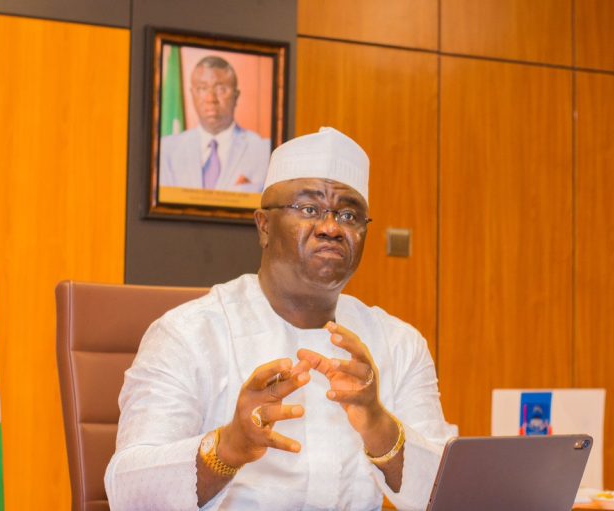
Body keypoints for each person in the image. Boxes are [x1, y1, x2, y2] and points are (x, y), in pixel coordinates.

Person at [106, 127, 456, 510]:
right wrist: (228, 447)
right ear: (264, 226)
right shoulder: (188, 334)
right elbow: (127, 492)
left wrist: (378, 424)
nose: (331, 228)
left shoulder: (399, 344)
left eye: (349, 214)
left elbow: (449, 493)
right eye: (309, 210)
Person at [158, 55, 271, 193]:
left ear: (236, 96)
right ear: (192, 94)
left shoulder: (264, 151)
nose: (211, 99)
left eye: (221, 89)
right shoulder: (166, 150)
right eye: (202, 89)